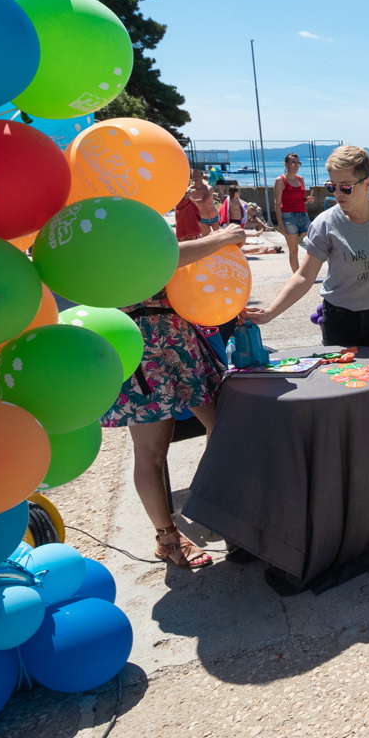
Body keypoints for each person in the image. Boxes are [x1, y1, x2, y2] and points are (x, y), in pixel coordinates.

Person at [102, 223, 249, 569]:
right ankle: (167, 537)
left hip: (178, 338)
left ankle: (214, 504)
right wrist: (224, 239)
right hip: (139, 347)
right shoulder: (102, 224)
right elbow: (160, 260)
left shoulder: (136, 217)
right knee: (151, 450)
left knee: (223, 429)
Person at [246, 144, 369, 351]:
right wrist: (270, 312)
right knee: (342, 380)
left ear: (367, 183)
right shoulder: (325, 224)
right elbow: (304, 276)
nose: (338, 193)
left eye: (346, 186)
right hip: (341, 319)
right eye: (332, 186)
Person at [274, 153, 313, 272]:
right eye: (293, 163)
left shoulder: (301, 179)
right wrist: (280, 224)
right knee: (294, 250)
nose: (296, 166)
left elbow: (301, 199)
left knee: (311, 246)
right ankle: (297, 276)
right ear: (286, 164)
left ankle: (307, 272)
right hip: (288, 217)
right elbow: (277, 203)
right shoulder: (280, 180)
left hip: (303, 215)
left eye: (298, 163)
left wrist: (307, 200)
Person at [173, 167, 207, 241]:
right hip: (181, 208)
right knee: (183, 231)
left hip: (185, 208)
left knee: (189, 232)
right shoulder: (180, 187)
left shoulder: (188, 188)